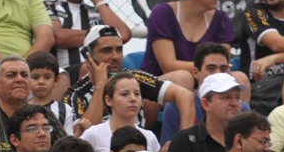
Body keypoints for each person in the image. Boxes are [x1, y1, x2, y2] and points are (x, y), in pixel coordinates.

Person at [64, 25, 195, 129]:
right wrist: (100, 86)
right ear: (88, 56)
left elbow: (185, 96)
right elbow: (83, 137)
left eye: (119, 50)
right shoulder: (75, 95)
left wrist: (183, 138)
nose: (115, 56)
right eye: (106, 50)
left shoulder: (134, 77)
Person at [140, 0, 238, 92]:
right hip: (155, 85)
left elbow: (222, 64)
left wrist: (210, 69)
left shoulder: (221, 19)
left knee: (240, 78)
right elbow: (168, 65)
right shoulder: (162, 13)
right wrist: (209, 68)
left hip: (204, 81)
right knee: (184, 77)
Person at [43, 0, 131, 82]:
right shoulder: (48, 6)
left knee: (133, 81)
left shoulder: (98, 11)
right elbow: (57, 36)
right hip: (63, 74)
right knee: (93, 69)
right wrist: (102, 37)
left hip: (102, 71)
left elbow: (122, 35)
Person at [165, 72, 248, 152]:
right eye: (225, 97)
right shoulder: (184, 140)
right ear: (205, 104)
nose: (234, 103)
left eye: (237, 98)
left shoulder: (250, 140)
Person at [160, 42, 250, 146]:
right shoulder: (175, 107)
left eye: (223, 69)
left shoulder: (241, 107)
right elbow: (169, 150)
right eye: (211, 69)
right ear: (196, 73)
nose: (218, 74)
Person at [80, 72, 160, 152]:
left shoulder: (150, 137)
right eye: (124, 94)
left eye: (137, 93)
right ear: (108, 100)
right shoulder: (93, 134)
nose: (133, 99)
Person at [26, 51, 77, 134]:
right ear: (27, 80)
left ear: (56, 80)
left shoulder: (65, 109)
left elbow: (67, 139)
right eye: (35, 77)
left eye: (47, 77)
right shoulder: (21, 109)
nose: (41, 82)